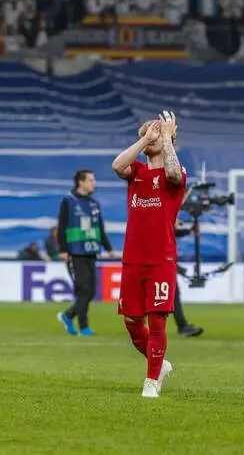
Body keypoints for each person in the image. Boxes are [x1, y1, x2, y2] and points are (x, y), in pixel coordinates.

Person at [111, 111, 187, 398]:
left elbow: (171, 173)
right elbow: (117, 165)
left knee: (157, 318)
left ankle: (151, 380)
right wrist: (145, 140)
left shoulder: (177, 174)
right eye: (147, 132)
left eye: (157, 132)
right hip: (133, 257)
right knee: (131, 321)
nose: (152, 135)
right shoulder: (136, 173)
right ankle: (160, 364)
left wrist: (166, 139)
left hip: (161, 258)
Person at [56, 169, 115, 337]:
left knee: (90, 291)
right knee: (84, 290)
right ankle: (82, 326)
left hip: (91, 251)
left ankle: (70, 317)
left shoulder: (94, 204)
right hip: (75, 252)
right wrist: (63, 249)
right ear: (80, 182)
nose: (93, 183)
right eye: (90, 180)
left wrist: (109, 248)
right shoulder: (69, 200)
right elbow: (62, 226)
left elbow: (100, 229)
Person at [173, 219, 204, 337]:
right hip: (159, 263)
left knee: (172, 295)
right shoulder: (158, 215)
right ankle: (182, 327)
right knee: (172, 295)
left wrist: (189, 230)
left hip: (162, 263)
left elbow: (171, 232)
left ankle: (183, 326)